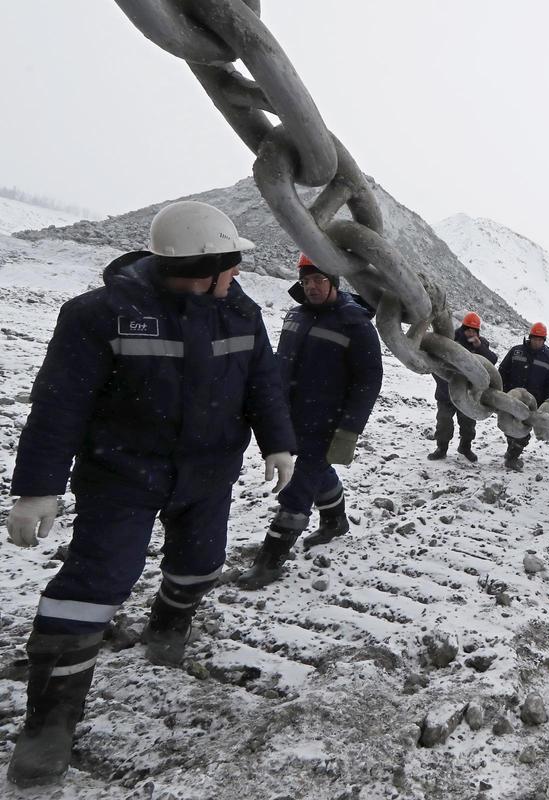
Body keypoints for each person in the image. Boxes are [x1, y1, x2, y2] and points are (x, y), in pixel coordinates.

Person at [3, 201, 295, 788]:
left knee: (200, 563)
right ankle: (49, 721)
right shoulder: (98, 316)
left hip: (208, 474)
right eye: (231, 264)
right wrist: (37, 489)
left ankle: (167, 627)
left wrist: (279, 442)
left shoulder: (239, 312)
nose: (238, 275)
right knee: (94, 583)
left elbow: (262, 381)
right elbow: (60, 406)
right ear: (207, 265)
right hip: (122, 477)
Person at [238, 253, 383, 589]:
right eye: (306, 281)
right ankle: (335, 521)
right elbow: (281, 362)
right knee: (318, 472)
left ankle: (270, 559)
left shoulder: (356, 324)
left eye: (319, 280)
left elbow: (368, 381)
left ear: (334, 281)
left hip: (327, 422)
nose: (312, 287)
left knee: (298, 487)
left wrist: (349, 430)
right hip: (291, 415)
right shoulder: (296, 315)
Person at [428, 311, 497, 463]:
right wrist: (442, 382)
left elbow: (492, 361)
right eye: (468, 329)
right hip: (445, 392)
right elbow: (435, 362)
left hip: (468, 394)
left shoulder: (481, 343)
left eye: (473, 330)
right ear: (463, 327)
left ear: (477, 332)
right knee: (444, 421)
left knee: (468, 423)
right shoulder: (450, 340)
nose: (470, 333)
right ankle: (442, 448)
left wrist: (480, 347)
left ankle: (465, 447)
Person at [497, 322, 549, 471]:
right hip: (512, 399)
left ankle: (512, 457)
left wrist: (548, 400)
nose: (537, 342)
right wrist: (502, 393)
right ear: (530, 337)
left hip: (533, 404)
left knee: (523, 433)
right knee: (510, 428)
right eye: (535, 338)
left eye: (540, 339)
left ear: (544, 340)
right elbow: (502, 371)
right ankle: (511, 450)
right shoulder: (516, 351)